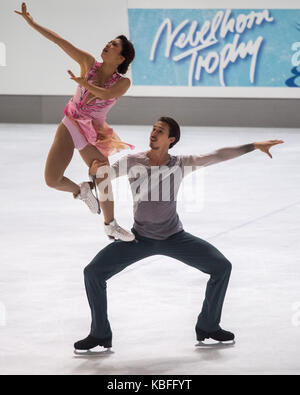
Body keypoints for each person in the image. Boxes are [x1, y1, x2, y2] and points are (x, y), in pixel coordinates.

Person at [74, 116, 284, 350]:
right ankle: (100, 333)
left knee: (221, 267)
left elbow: (217, 155)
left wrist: (253, 146)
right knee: (93, 273)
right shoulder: (132, 161)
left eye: (160, 131)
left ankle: (208, 326)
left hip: (175, 238)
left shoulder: (180, 164)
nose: (153, 133)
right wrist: (94, 173)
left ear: (171, 139)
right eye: (153, 128)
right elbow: (103, 177)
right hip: (138, 239)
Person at [14, 2, 135, 241]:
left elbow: (105, 95)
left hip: (95, 130)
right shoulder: (88, 63)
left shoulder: (122, 82)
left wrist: (85, 83)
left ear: (121, 58)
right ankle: (81, 190)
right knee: (52, 180)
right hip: (71, 121)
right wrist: (32, 22)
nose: (107, 45)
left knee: (103, 172)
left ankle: (110, 224)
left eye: (113, 45)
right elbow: (60, 41)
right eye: (109, 42)